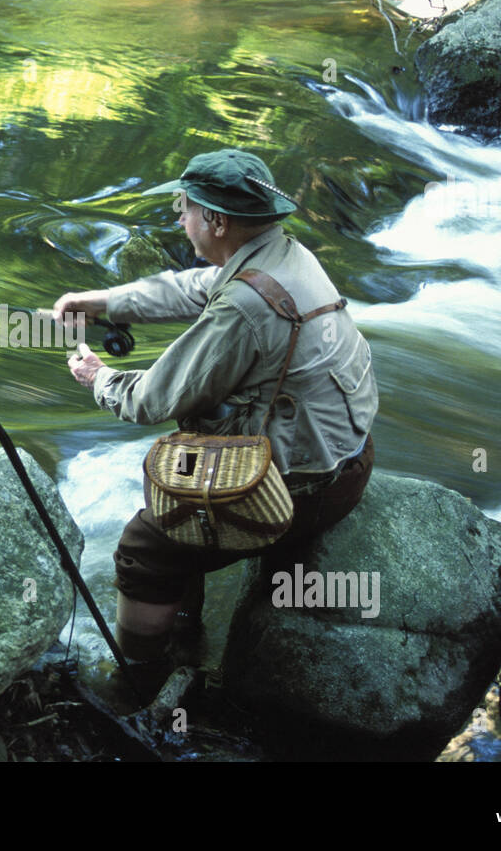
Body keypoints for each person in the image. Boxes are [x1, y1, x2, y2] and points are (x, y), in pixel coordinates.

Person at [53, 149, 378, 692]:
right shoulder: (282, 256)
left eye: (185, 207)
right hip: (352, 459)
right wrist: (103, 302)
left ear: (217, 221)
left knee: (141, 549)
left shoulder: (245, 307)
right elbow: (193, 287)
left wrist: (98, 377)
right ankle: (185, 630)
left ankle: (141, 679)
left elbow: (151, 400)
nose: (179, 217)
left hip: (301, 492)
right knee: (185, 477)